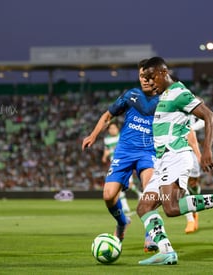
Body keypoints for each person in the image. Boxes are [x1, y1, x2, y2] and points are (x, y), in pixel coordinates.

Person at [136, 57, 213, 265]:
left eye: (151, 77)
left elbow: (210, 116)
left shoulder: (179, 93)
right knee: (144, 207)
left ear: (161, 72)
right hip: (162, 160)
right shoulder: (165, 95)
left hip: (175, 156)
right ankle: (166, 251)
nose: (150, 83)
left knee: (172, 208)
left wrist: (206, 151)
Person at [82, 59, 159, 253]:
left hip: (148, 152)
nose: (145, 80)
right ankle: (122, 222)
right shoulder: (131, 95)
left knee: (150, 190)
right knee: (108, 196)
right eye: (142, 76)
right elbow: (108, 116)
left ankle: (151, 234)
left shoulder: (165, 99)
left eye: (148, 76)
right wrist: (93, 135)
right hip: (124, 152)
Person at [101, 122, 142, 215]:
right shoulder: (107, 140)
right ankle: (125, 206)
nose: (112, 130)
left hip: (125, 163)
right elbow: (107, 150)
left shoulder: (122, 136)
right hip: (114, 164)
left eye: (114, 128)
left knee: (129, 184)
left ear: (117, 129)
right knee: (117, 186)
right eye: (110, 129)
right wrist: (104, 156)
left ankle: (140, 194)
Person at [184, 116, 204, 234]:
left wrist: (191, 128)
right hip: (174, 149)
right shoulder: (164, 102)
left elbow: (204, 120)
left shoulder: (190, 101)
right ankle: (189, 219)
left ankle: (195, 211)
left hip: (190, 147)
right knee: (180, 184)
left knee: (192, 183)